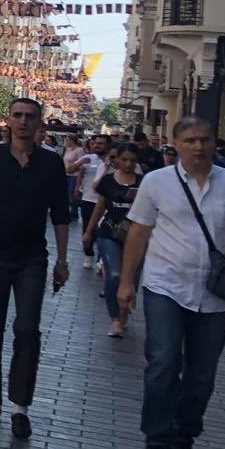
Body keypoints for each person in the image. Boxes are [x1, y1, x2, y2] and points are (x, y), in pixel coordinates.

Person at [119, 117, 225, 449]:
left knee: (201, 375)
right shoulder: (156, 183)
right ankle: (156, 440)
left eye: (205, 140)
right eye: (190, 141)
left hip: (215, 295)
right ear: (176, 144)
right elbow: (138, 233)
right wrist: (126, 281)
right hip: (165, 285)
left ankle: (184, 436)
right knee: (164, 363)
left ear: (214, 143)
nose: (198, 147)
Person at [0, 96, 71, 439]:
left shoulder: (52, 164)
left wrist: (63, 260)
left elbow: (61, 214)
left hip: (32, 259)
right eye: (17, 115)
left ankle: (21, 406)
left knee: (27, 329)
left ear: (40, 122)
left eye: (30, 116)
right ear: (8, 120)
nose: (23, 121)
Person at [83, 143, 142, 338]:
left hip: (136, 238)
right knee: (114, 275)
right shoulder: (108, 181)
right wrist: (89, 231)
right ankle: (115, 319)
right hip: (109, 233)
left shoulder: (144, 183)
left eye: (132, 160)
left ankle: (123, 314)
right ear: (117, 160)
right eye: (124, 159)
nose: (128, 164)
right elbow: (100, 207)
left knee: (131, 279)